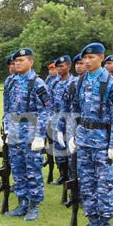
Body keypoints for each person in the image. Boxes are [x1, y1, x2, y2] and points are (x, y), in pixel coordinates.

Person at [67, 43, 113, 226]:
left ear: (101, 58)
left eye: (92, 58)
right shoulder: (81, 81)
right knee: (87, 183)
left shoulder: (110, 82)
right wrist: (73, 135)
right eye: (85, 58)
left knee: (105, 184)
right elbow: (76, 110)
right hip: (84, 140)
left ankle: (104, 223)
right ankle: (92, 220)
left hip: (102, 141)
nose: (87, 62)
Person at [2, 48, 52, 220]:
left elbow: (45, 111)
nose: (17, 63)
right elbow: (7, 108)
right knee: (17, 169)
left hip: (31, 131)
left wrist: (40, 135)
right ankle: (22, 202)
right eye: (16, 61)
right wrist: (6, 129)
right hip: (15, 131)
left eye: (21, 60)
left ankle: (33, 205)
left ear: (30, 62)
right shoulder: (10, 82)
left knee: (32, 169)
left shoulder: (37, 83)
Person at [50, 55, 77, 186]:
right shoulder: (54, 82)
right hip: (56, 119)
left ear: (69, 66)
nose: (59, 69)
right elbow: (49, 102)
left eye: (62, 66)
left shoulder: (74, 82)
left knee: (71, 149)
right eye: (57, 67)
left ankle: (72, 176)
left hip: (70, 120)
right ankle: (62, 174)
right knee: (58, 149)